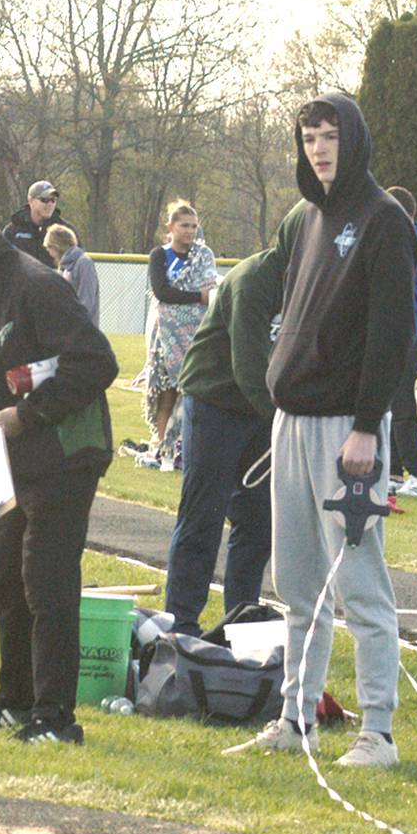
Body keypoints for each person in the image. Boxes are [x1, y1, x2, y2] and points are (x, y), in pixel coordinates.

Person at [231, 91, 415, 770]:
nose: (319, 148)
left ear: (353, 138)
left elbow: (391, 335)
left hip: (347, 431)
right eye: (309, 137)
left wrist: (366, 427)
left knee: (360, 584)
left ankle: (379, 731)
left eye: (330, 135)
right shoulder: (308, 217)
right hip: (293, 425)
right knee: (298, 582)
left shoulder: (382, 220)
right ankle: (295, 715)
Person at [0, 175, 118, 746]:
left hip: (65, 450)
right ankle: (14, 700)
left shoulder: (36, 285)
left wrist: (25, 416)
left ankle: (57, 717)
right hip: (14, 458)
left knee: (47, 577)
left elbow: (97, 363)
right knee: (8, 573)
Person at [163, 200, 306, 637]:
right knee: (202, 514)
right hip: (217, 399)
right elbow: (248, 365)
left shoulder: (315, 284)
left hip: (263, 408)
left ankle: (239, 624)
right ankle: (181, 623)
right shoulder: (254, 279)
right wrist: (287, 421)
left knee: (258, 521)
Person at [139, 200, 218, 470]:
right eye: (184, 225)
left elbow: (211, 287)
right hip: (165, 337)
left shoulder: (203, 256)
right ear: (171, 227)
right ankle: (161, 446)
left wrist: (201, 299)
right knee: (166, 392)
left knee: (192, 392)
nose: (189, 231)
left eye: (194, 226)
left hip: (195, 336)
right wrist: (198, 297)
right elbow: (163, 293)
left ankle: (186, 447)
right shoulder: (159, 256)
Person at [384, 186, 417, 498]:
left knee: (402, 404)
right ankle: (394, 472)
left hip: (409, 333)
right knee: (389, 404)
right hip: (397, 332)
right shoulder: (404, 240)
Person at [2, 181, 77, 269]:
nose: (50, 204)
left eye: (53, 200)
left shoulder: (64, 231)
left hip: (53, 281)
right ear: (31, 201)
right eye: (44, 200)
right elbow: (1, 263)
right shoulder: (13, 231)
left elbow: (77, 266)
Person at [42, 223, 99, 327]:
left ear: (56, 246)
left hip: (83, 333)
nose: (49, 253)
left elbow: (86, 302)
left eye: (49, 248)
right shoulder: (64, 267)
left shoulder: (84, 263)